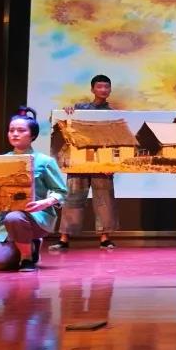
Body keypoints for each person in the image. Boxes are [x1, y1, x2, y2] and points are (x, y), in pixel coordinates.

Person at [0, 108, 67, 271]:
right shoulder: (0, 162)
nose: (15, 134)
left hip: (36, 217)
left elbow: (61, 192)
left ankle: (27, 257)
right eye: (11, 130)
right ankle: (28, 244)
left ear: (32, 135)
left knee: (14, 217)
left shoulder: (44, 161)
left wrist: (45, 202)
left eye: (21, 130)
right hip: (7, 221)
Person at [50, 74, 119, 251]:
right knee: (73, 198)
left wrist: (112, 164)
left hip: (102, 162)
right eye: (99, 86)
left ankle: (105, 238)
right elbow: (63, 125)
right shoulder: (80, 109)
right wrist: (66, 112)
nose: (103, 90)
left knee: (104, 199)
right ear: (92, 89)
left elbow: (115, 140)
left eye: (106, 87)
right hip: (79, 159)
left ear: (110, 90)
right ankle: (64, 238)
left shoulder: (113, 113)